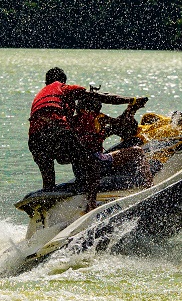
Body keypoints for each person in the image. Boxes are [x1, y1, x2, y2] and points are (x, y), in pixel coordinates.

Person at [27, 67, 146, 211]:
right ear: (63, 80)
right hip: (56, 131)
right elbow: (105, 99)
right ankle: (91, 205)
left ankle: (47, 211)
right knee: (90, 163)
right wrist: (132, 101)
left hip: (35, 138)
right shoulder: (63, 88)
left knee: (48, 180)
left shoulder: (43, 95)